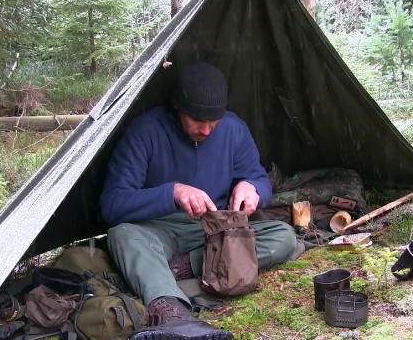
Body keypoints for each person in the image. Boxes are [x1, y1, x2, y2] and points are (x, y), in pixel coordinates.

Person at [100, 62, 297, 340]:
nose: (205, 130)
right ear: (178, 108)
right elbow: (112, 204)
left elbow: (259, 178)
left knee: (284, 237)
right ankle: (172, 315)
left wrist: (251, 187)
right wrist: (173, 193)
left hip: (213, 232)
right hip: (155, 231)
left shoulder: (233, 129)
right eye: (197, 121)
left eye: (212, 122)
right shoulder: (144, 131)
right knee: (121, 235)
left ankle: (176, 269)